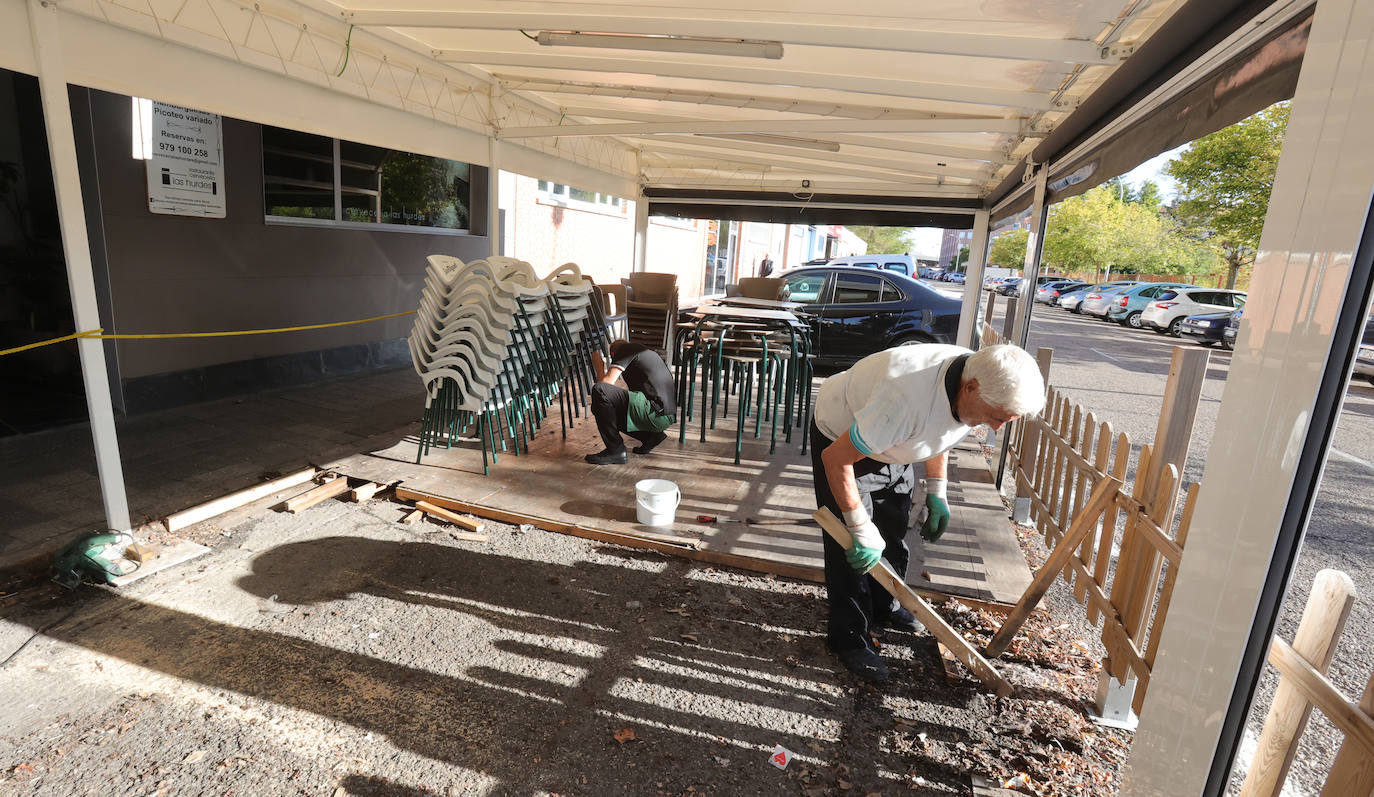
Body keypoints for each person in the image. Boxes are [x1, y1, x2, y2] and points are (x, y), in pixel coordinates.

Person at [810, 342, 1045, 681]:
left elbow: (941, 431)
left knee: (892, 526)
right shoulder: (902, 399)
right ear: (971, 388)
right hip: (842, 436)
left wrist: (937, 490)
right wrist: (859, 525)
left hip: (891, 440)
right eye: (996, 417)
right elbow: (837, 459)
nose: (996, 428)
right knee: (851, 547)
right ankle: (849, 637)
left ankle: (885, 603)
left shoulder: (974, 375)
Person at [585, 340, 677, 465]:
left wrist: (599, 366)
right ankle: (650, 437)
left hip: (653, 411)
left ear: (613, 354)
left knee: (600, 391)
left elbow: (605, 384)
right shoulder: (644, 355)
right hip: (665, 416)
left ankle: (615, 451)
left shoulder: (627, 350)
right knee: (604, 407)